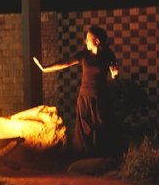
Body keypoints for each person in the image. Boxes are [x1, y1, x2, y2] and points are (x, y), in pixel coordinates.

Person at [33, 25, 123, 158]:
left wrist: (115, 74)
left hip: (100, 97)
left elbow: (114, 75)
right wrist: (45, 68)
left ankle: (102, 157)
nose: (85, 42)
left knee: (101, 125)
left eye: (88, 39)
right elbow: (65, 62)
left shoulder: (108, 55)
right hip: (85, 97)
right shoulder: (84, 55)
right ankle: (83, 157)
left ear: (97, 41)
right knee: (84, 128)